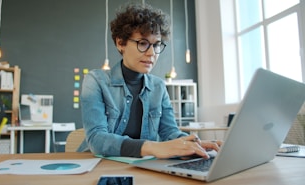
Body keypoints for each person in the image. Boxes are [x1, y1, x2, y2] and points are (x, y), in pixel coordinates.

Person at [79, 3, 221, 159]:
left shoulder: (158, 86)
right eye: (143, 43)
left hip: (143, 167)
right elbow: (97, 139)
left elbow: (169, 132)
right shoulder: (95, 81)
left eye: (157, 45)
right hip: (97, 166)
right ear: (121, 43)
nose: (152, 53)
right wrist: (152, 147)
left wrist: (193, 143)